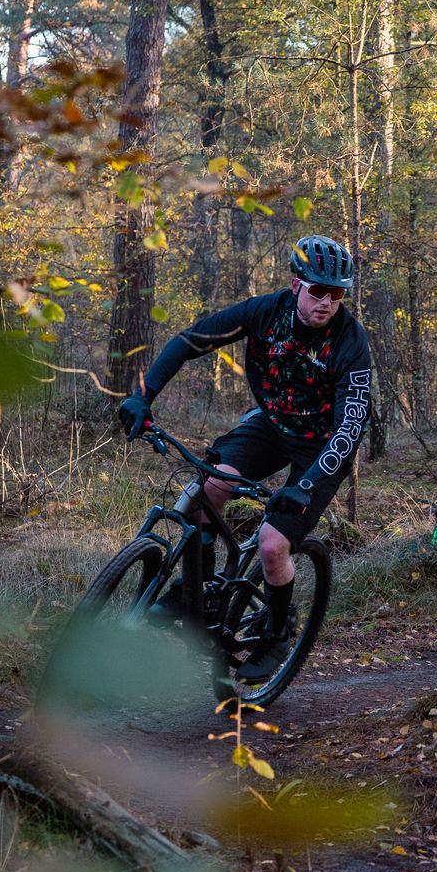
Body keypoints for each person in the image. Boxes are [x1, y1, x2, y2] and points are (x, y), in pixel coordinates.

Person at [117, 235, 372, 682]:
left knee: (274, 544)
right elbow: (190, 341)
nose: (328, 302)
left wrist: (304, 486)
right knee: (205, 493)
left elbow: (351, 427)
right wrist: (144, 396)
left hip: (321, 447)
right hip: (270, 425)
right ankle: (196, 594)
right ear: (296, 285)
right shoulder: (264, 313)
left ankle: (276, 634)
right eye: (319, 291)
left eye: (337, 293)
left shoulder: (350, 342)